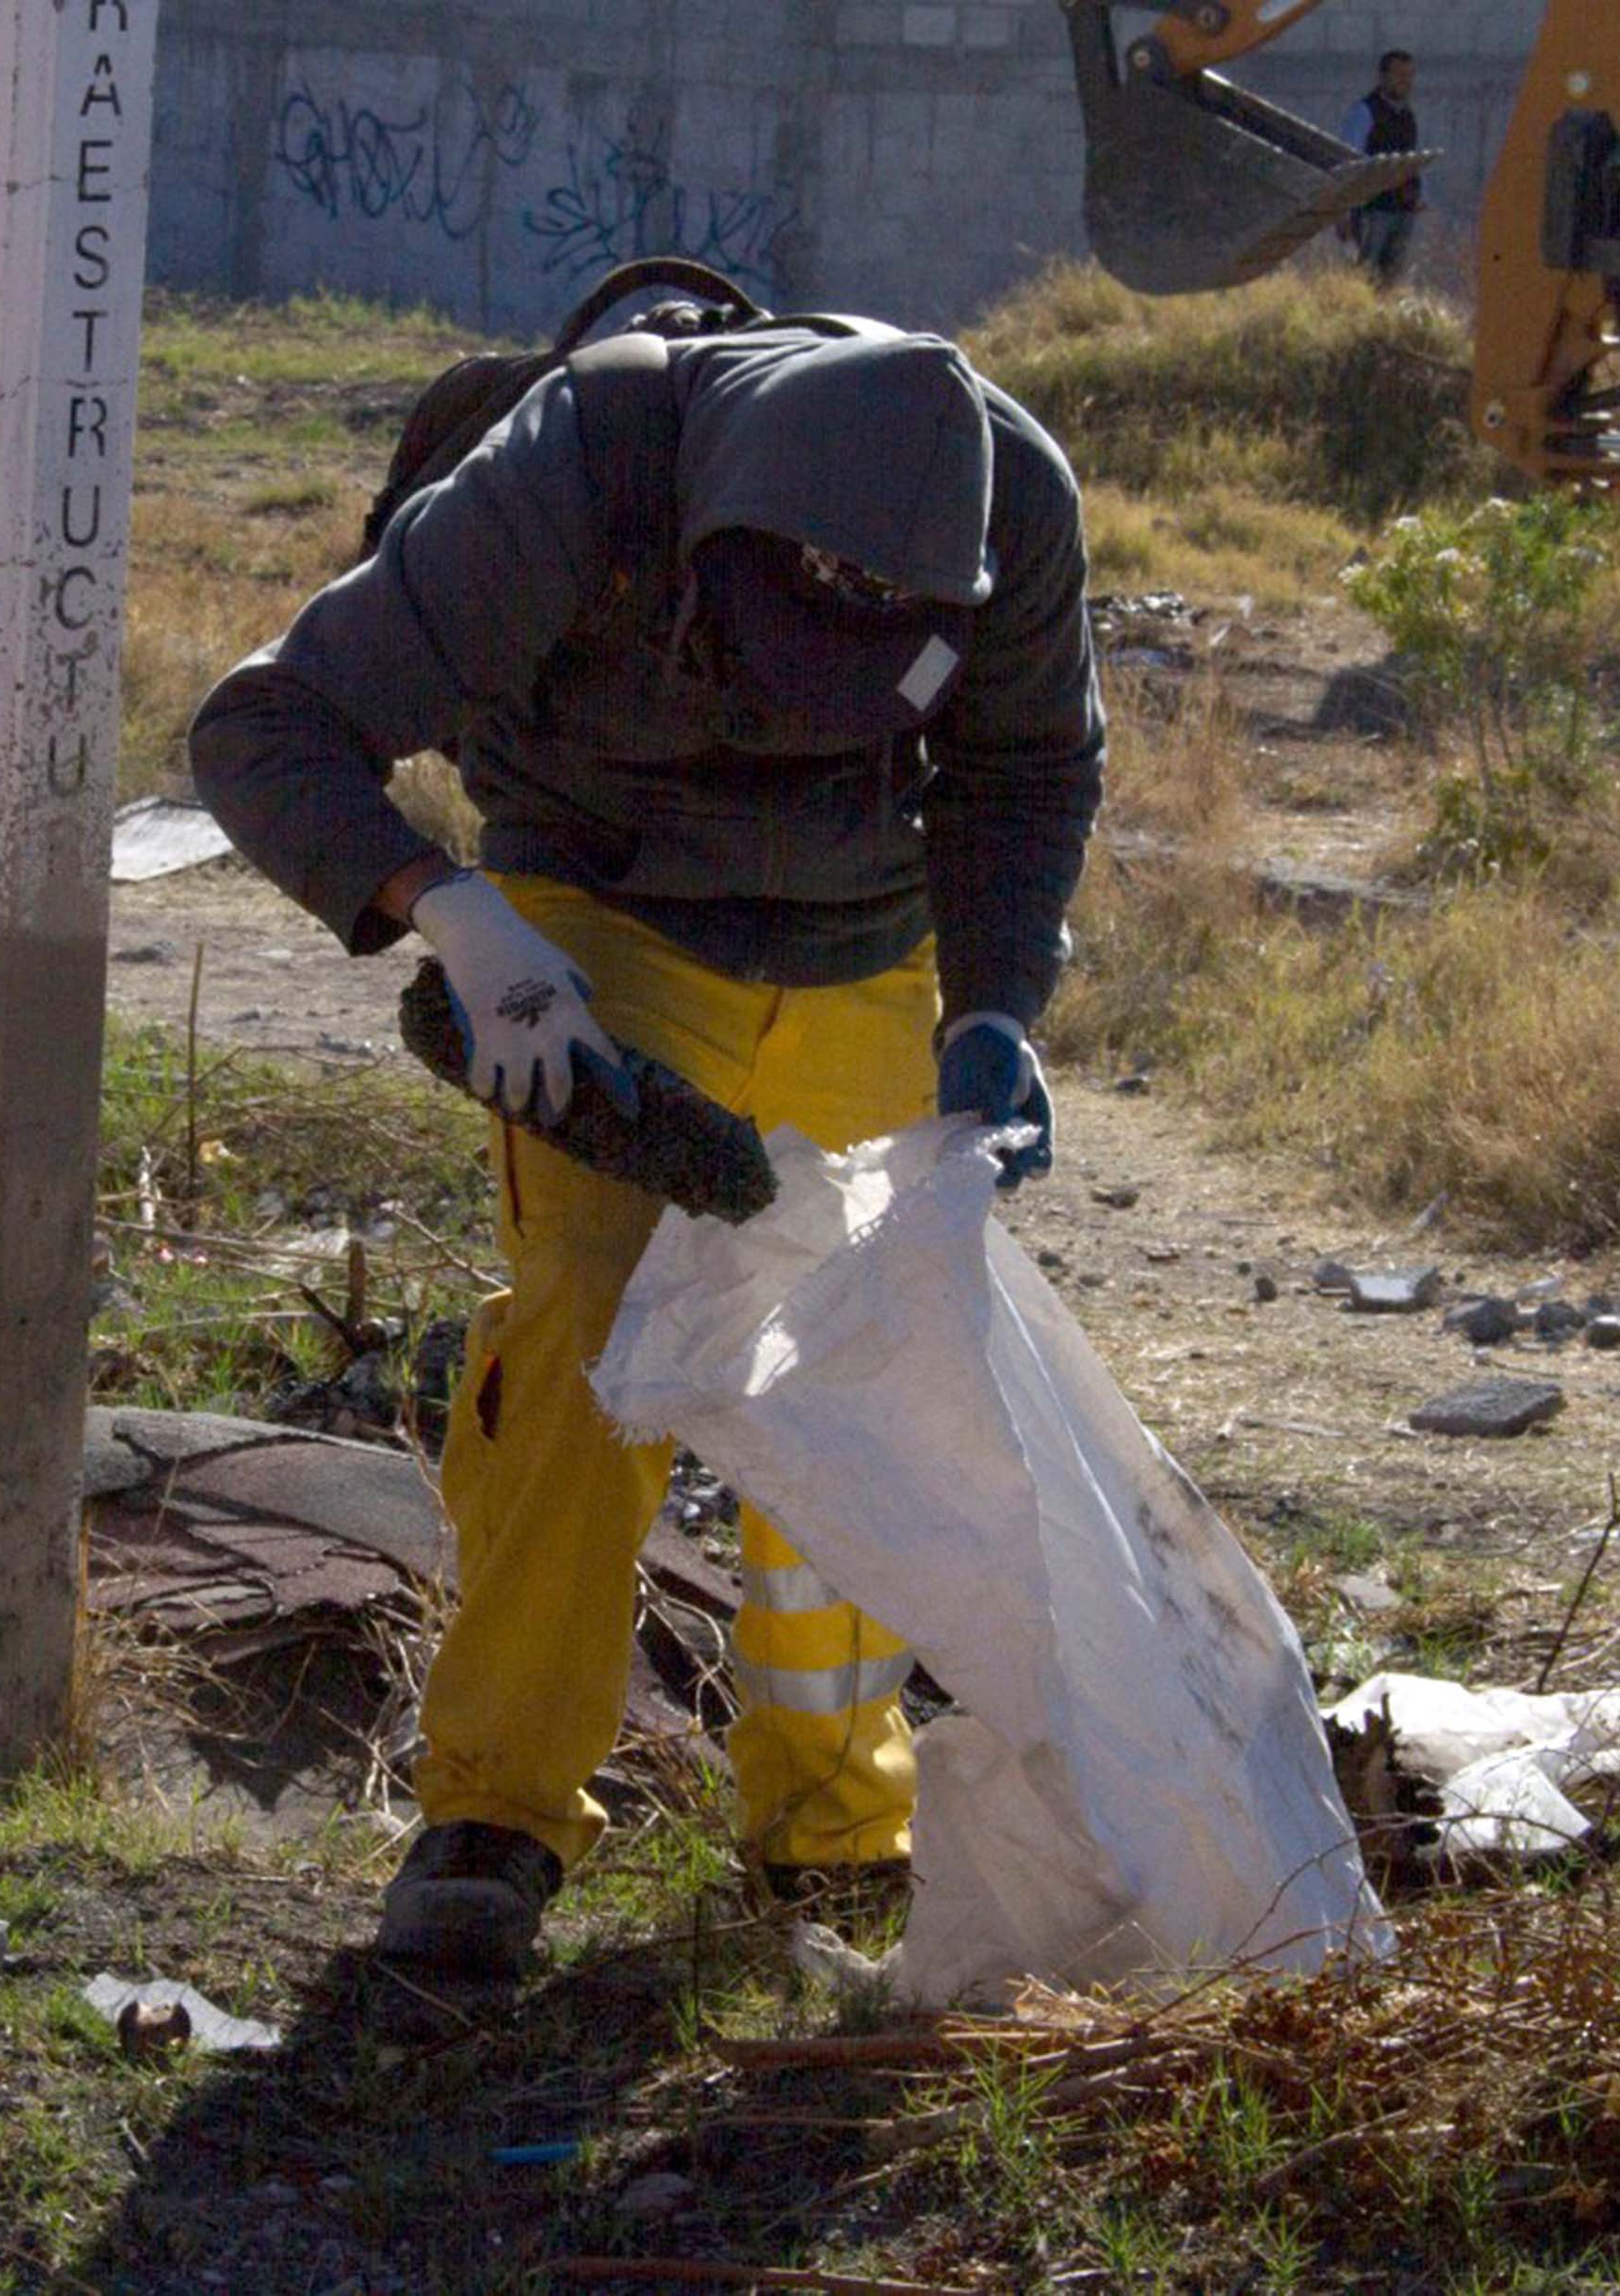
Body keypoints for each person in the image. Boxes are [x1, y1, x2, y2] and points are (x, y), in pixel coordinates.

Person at [189, 302, 1105, 1980]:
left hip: (866, 945)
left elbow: (1032, 769)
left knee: (858, 1362)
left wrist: (994, 1004)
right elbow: (262, 726)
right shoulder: (585, 466)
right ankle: (495, 1813)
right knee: (593, 1334)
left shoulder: (1012, 500)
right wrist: (456, 915)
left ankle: (834, 1820)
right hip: (599, 917)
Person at [1341, 50, 1425, 288]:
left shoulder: (1407, 114)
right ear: (1383, 76)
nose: (1405, 81)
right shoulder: (1364, 112)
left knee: (1391, 279)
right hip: (1372, 210)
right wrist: (1343, 213)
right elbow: (1349, 162)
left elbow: (1410, 157)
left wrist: (1419, 196)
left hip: (1403, 210)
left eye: (1409, 75)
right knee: (1365, 276)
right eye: (1399, 75)